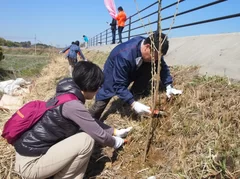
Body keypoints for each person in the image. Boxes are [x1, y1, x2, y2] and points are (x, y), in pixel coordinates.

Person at [13, 61, 132, 179]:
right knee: (86, 140)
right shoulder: (73, 105)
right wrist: (116, 142)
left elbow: (88, 120)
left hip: (28, 156)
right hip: (31, 165)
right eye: (98, 87)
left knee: (83, 135)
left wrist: (114, 131)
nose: (98, 91)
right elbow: (99, 135)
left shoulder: (65, 96)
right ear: (90, 85)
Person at [89, 32, 182, 120]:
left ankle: (134, 94)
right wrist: (134, 104)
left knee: (151, 67)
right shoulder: (124, 55)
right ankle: (89, 120)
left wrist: (168, 86)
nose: (156, 60)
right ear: (147, 47)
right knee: (106, 94)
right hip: (114, 71)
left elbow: (162, 67)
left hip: (137, 65)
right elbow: (119, 84)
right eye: (155, 57)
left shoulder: (154, 50)